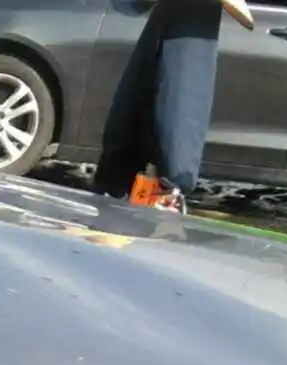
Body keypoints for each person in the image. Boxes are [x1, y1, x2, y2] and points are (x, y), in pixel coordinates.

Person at [95, 0, 255, 211]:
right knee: (146, 115)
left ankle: (161, 193)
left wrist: (174, 181)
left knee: (174, 109)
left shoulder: (194, 26)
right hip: (132, 170)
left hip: (152, 179)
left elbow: (180, 118)